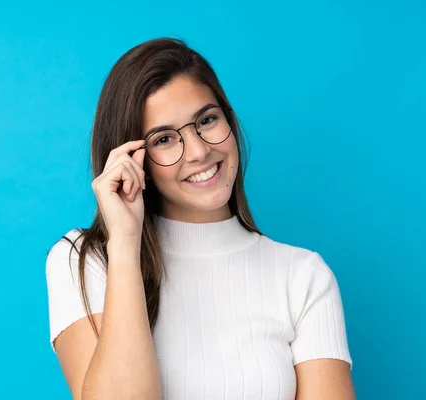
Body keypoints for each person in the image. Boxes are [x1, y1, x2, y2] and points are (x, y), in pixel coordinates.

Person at [45, 37, 355, 400]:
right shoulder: (85, 260)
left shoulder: (303, 276)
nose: (199, 151)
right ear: (131, 159)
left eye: (206, 120)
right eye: (163, 139)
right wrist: (125, 245)